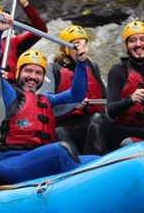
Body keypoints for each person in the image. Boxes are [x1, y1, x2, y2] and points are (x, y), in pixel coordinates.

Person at [0, 13, 98, 184]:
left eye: (38, 73)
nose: (33, 77)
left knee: (99, 160)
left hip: (38, 158)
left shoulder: (45, 100)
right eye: (28, 71)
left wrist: (81, 63)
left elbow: (77, 95)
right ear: (19, 73)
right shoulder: (7, 94)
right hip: (9, 162)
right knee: (61, 151)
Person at [40, 25, 112, 155]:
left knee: (98, 118)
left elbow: (107, 99)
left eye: (84, 45)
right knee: (58, 132)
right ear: (64, 49)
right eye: (75, 45)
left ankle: (96, 161)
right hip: (64, 125)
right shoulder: (52, 69)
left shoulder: (92, 67)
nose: (80, 49)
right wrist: (73, 104)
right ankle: (75, 167)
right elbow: (45, 102)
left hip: (91, 122)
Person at [105, 20, 144, 148]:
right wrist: (130, 100)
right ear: (126, 46)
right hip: (125, 132)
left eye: (143, 39)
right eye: (132, 40)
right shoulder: (117, 71)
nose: (138, 44)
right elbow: (111, 110)